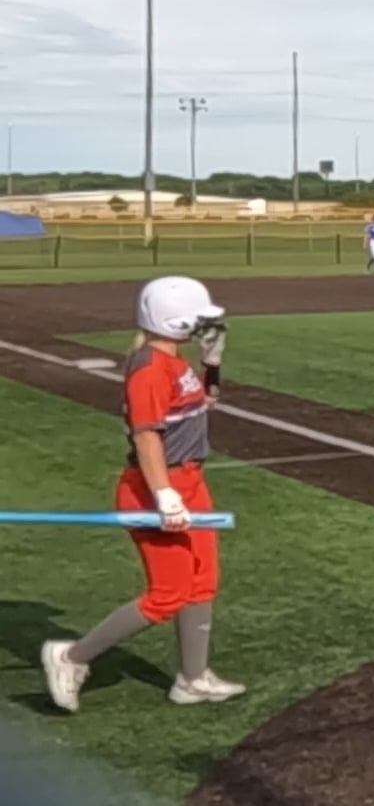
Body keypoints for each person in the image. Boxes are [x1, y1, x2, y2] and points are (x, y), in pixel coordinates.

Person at [41, 276, 246, 712]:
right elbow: (146, 435)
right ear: (176, 320)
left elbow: (201, 405)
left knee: (202, 582)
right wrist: (165, 496)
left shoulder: (172, 361)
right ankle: (71, 658)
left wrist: (212, 365)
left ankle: (193, 678)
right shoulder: (150, 369)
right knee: (168, 594)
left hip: (188, 481)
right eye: (199, 320)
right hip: (155, 488)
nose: (206, 327)